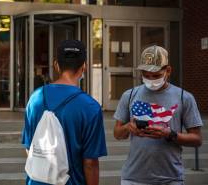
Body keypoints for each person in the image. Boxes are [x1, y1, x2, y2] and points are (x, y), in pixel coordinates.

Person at [114, 45, 203, 185]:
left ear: (168, 71)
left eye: (156, 75)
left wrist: (169, 134)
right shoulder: (129, 95)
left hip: (171, 178)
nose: (150, 79)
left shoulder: (184, 97)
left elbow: (197, 139)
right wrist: (128, 127)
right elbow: (117, 134)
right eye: (145, 75)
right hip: (133, 178)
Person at [22, 40, 107, 185]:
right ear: (84, 67)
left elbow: (29, 147)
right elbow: (90, 163)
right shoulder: (90, 107)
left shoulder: (36, 97)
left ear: (56, 65)